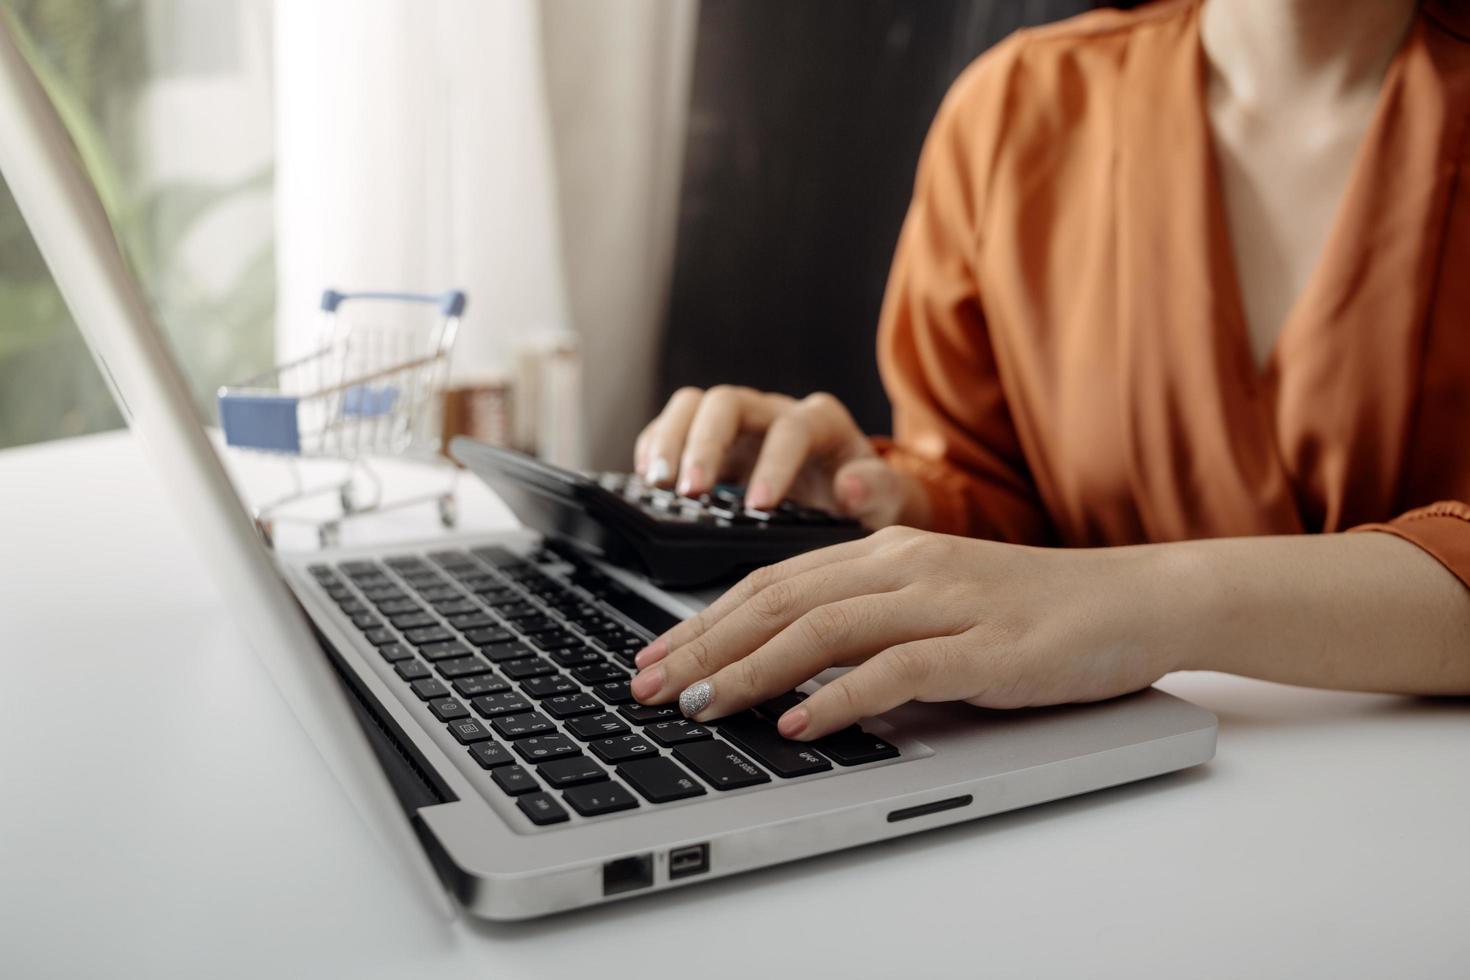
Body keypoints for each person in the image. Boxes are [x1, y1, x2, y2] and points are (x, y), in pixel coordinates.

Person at [626, 0, 1470, 738]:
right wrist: (881, 499)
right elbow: (1001, 505)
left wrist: (1154, 600)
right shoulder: (1016, 109)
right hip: (1091, 804)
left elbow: (1073, 589)